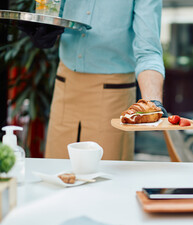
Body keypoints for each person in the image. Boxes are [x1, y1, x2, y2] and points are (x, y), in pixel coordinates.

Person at [21, 1, 166, 160]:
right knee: (57, 172)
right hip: (66, 85)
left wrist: (152, 103)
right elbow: (53, 10)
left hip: (112, 95)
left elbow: (148, 52)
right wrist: (43, 30)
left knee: (106, 176)